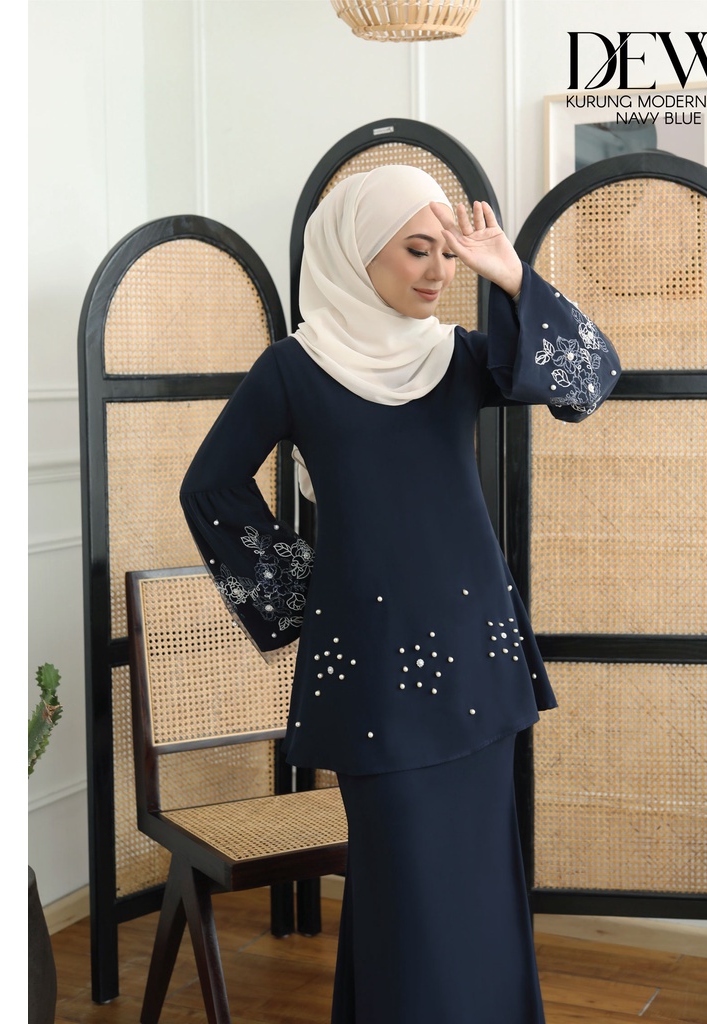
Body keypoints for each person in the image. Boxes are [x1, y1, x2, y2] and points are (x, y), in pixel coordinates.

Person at [180, 164, 621, 1024]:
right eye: (419, 250)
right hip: (376, 678)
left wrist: (513, 278)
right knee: (404, 890)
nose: (438, 271)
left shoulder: (457, 356)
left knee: (477, 889)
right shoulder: (295, 368)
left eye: (449, 255)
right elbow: (210, 486)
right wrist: (308, 598)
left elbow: (587, 383)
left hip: (479, 664)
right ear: (359, 252)